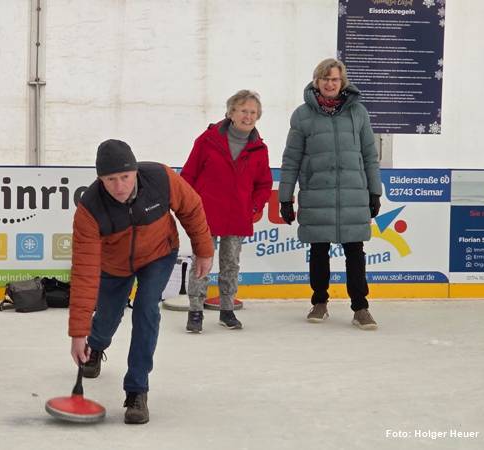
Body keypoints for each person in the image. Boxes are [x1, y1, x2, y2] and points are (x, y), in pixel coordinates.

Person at [68, 139, 214, 424]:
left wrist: (204, 249)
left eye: (125, 176)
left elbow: (192, 208)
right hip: (114, 264)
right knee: (108, 315)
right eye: (110, 179)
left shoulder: (161, 178)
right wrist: (78, 333)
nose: (119, 186)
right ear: (100, 179)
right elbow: (84, 273)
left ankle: (137, 390)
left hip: (158, 254)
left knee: (147, 307)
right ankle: (96, 346)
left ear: (135, 171)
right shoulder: (89, 210)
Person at [278, 58, 382, 330]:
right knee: (319, 250)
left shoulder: (358, 112)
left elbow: (370, 155)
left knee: (355, 252)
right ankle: (319, 302)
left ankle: (360, 307)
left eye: (334, 79)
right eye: (325, 79)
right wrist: (285, 197)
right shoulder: (302, 115)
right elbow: (291, 159)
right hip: (317, 193)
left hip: (352, 193)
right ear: (317, 82)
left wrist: (374, 192)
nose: (330, 83)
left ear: (342, 82)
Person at [180, 90, 272, 332]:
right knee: (202, 262)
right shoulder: (207, 140)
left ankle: (227, 309)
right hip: (206, 215)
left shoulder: (259, 149)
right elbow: (188, 174)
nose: (248, 116)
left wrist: (254, 205)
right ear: (231, 112)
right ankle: (195, 311)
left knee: (231, 263)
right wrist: (189, 206)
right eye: (243, 111)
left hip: (237, 215)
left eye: (253, 112)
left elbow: (263, 184)